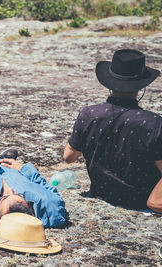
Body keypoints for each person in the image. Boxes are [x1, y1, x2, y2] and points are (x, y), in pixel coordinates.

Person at [63, 49, 162, 210]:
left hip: (104, 193)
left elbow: (68, 157)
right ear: (141, 87)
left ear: (109, 82)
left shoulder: (89, 114)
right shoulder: (154, 124)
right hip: (142, 198)